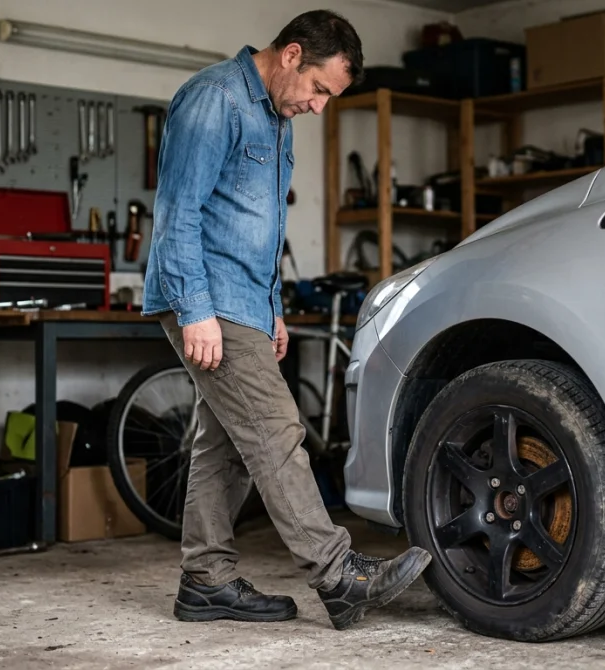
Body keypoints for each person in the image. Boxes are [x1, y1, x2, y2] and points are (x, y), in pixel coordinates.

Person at [141, 9, 431, 631]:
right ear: (292, 55)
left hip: (242, 301)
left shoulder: (277, 116)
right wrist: (196, 311)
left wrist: (270, 306)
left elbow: (258, 225)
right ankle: (338, 574)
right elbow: (178, 212)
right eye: (320, 90)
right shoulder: (214, 98)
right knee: (275, 432)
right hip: (207, 297)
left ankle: (206, 582)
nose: (321, 107)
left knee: (225, 446)